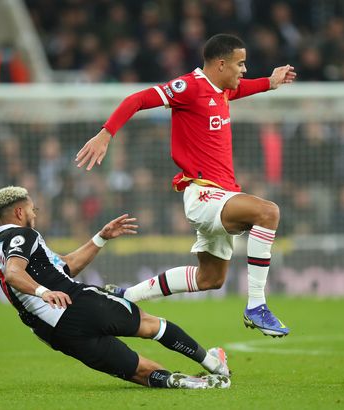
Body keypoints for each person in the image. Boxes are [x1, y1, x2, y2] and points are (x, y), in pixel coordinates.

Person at [75, 33, 296, 337]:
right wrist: (106, 133)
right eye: (240, 64)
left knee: (210, 279)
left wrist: (269, 82)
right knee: (268, 212)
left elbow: (241, 88)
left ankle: (126, 296)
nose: (244, 70)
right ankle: (257, 304)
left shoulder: (222, 90)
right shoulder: (189, 88)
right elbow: (137, 100)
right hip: (204, 195)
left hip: (222, 195)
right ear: (221, 64)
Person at [0, 186, 230, 389]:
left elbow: (66, 266)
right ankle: (214, 364)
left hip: (54, 332)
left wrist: (101, 237)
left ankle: (185, 382)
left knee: (140, 371)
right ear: (19, 212)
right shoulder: (24, 235)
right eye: (32, 209)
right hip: (77, 304)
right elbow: (13, 273)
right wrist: (44, 292)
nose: (35, 214)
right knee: (151, 325)